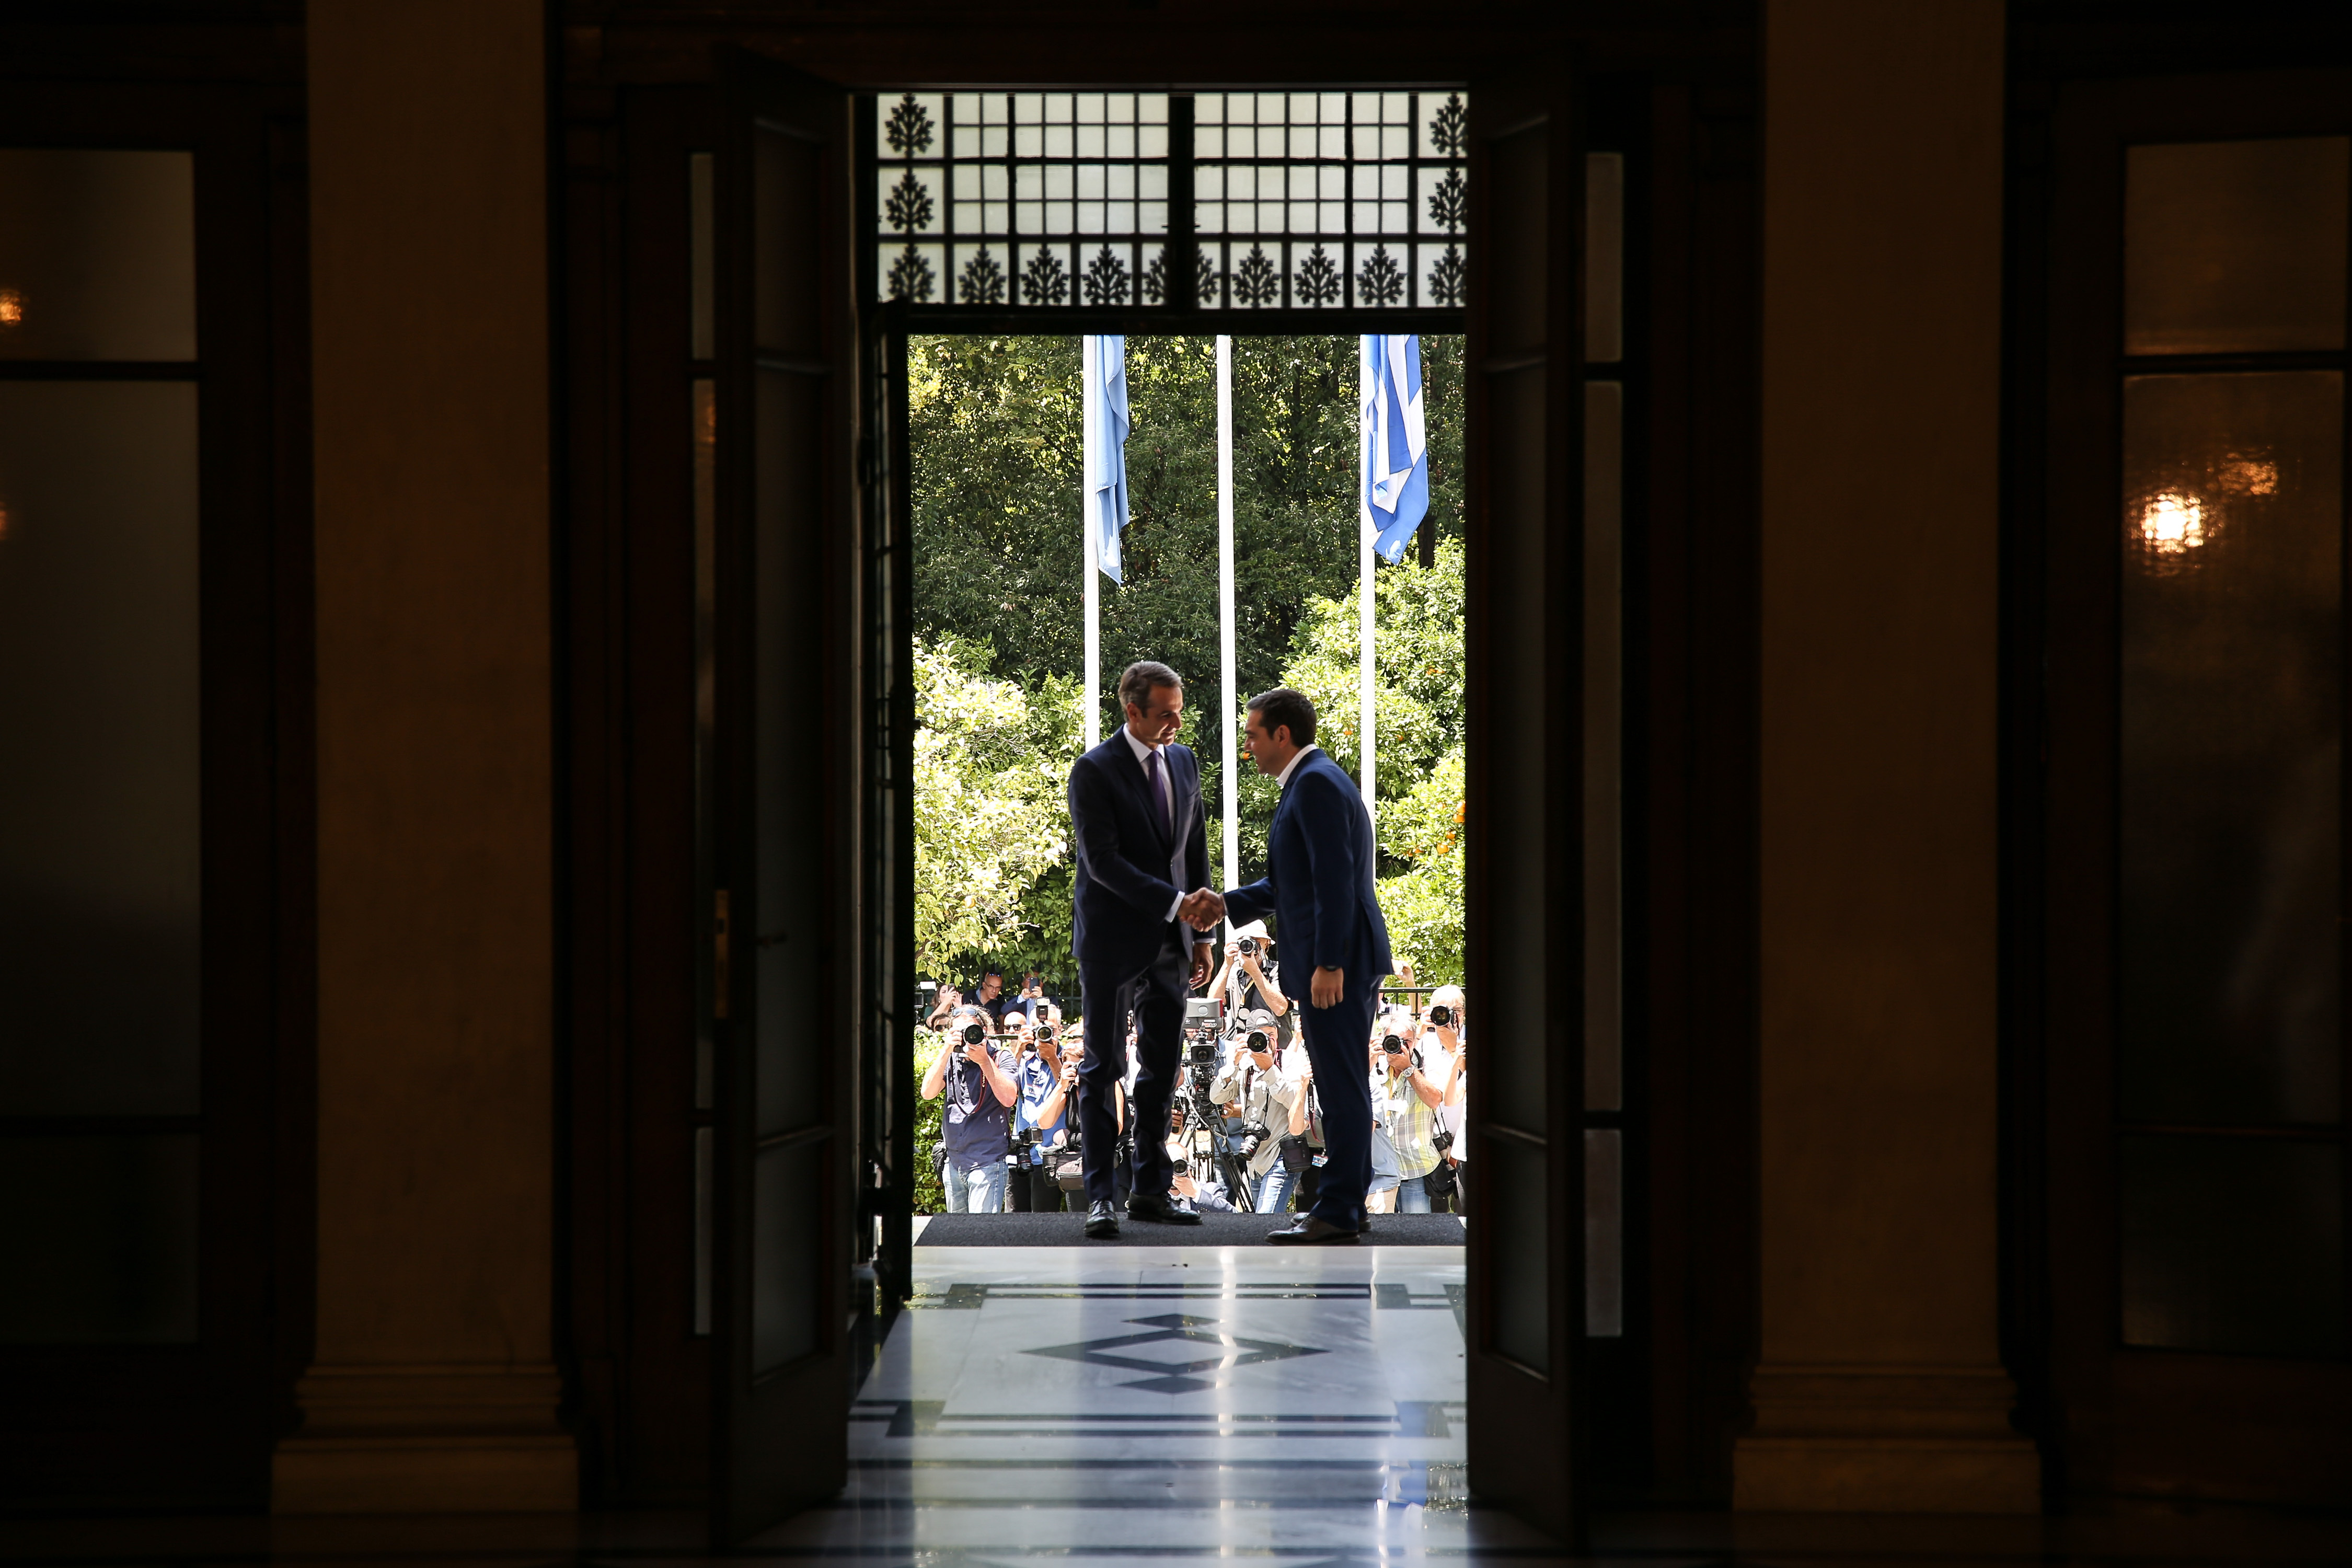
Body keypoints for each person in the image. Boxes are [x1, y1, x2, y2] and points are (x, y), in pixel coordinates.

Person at [1191, 687, 1393, 1245]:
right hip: (1341, 959)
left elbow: (1335, 881)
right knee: (1339, 1081)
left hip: (1340, 963)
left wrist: (1329, 962)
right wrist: (1224, 904)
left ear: (1283, 734)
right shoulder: (1312, 782)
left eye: (1254, 735)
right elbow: (1291, 886)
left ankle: (1341, 1210)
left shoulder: (1316, 785)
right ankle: (1346, 1204)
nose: (1248, 746)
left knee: (1341, 1083)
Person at [1066, 660, 1214, 1238]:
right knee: (1103, 1067)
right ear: (1132, 711)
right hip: (1110, 941)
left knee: (1162, 1066)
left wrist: (1202, 934)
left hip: (1174, 942)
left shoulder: (1183, 761)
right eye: (1166, 714)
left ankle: (1151, 1190)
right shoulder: (1094, 770)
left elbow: (1194, 847)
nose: (1177, 723)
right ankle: (1101, 1197)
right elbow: (1102, 862)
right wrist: (1177, 905)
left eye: (1179, 712)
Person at [920, 1004, 1018, 1213]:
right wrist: (946, 1050)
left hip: (987, 1162)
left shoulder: (1000, 1057)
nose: (966, 1038)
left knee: (981, 1231)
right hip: (954, 1163)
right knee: (958, 1232)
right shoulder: (951, 1059)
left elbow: (1009, 1098)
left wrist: (984, 1061)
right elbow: (927, 1093)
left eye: (970, 1031)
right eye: (959, 1032)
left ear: (985, 1032)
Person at [1209, 1010, 1302, 1214]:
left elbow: (1295, 1102)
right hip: (1255, 1160)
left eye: (1271, 1035)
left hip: (1280, 1157)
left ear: (1277, 1035)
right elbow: (1216, 1097)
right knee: (1260, 1223)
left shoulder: (1290, 1061)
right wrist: (1233, 1064)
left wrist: (1270, 1070)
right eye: (1260, 1036)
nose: (1266, 1041)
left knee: (1265, 1219)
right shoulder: (1245, 1065)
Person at [1374, 1009, 1450, 1213]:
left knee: (1415, 1229)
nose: (1400, 1046)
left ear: (1415, 1041)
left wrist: (1408, 1069)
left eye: (1407, 1041)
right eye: (1394, 1040)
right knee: (1379, 1229)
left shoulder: (1427, 1063)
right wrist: (1368, 1062)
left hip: (1414, 1166)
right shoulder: (1373, 1067)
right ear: (1383, 1039)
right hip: (1379, 1169)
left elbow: (1435, 1100)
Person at [1005, 1008, 1067, 1213]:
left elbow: (1071, 1092)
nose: (1043, 1034)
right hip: (1020, 1153)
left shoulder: (1068, 1057)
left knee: (1043, 1222)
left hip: (1050, 1154)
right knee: (1015, 1221)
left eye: (1050, 1029)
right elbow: (1005, 1091)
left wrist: (1052, 1059)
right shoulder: (1023, 1058)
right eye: (1037, 1029)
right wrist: (1019, 1049)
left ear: (1060, 1030)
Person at [1206, 922, 1291, 1050]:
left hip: (1273, 1049)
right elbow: (1213, 1005)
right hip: (1240, 1047)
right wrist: (1227, 964)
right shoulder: (1235, 974)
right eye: (1246, 942)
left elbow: (1280, 1008)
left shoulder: (1279, 970)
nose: (1252, 947)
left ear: (1267, 944)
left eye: (1257, 941)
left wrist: (1255, 972)